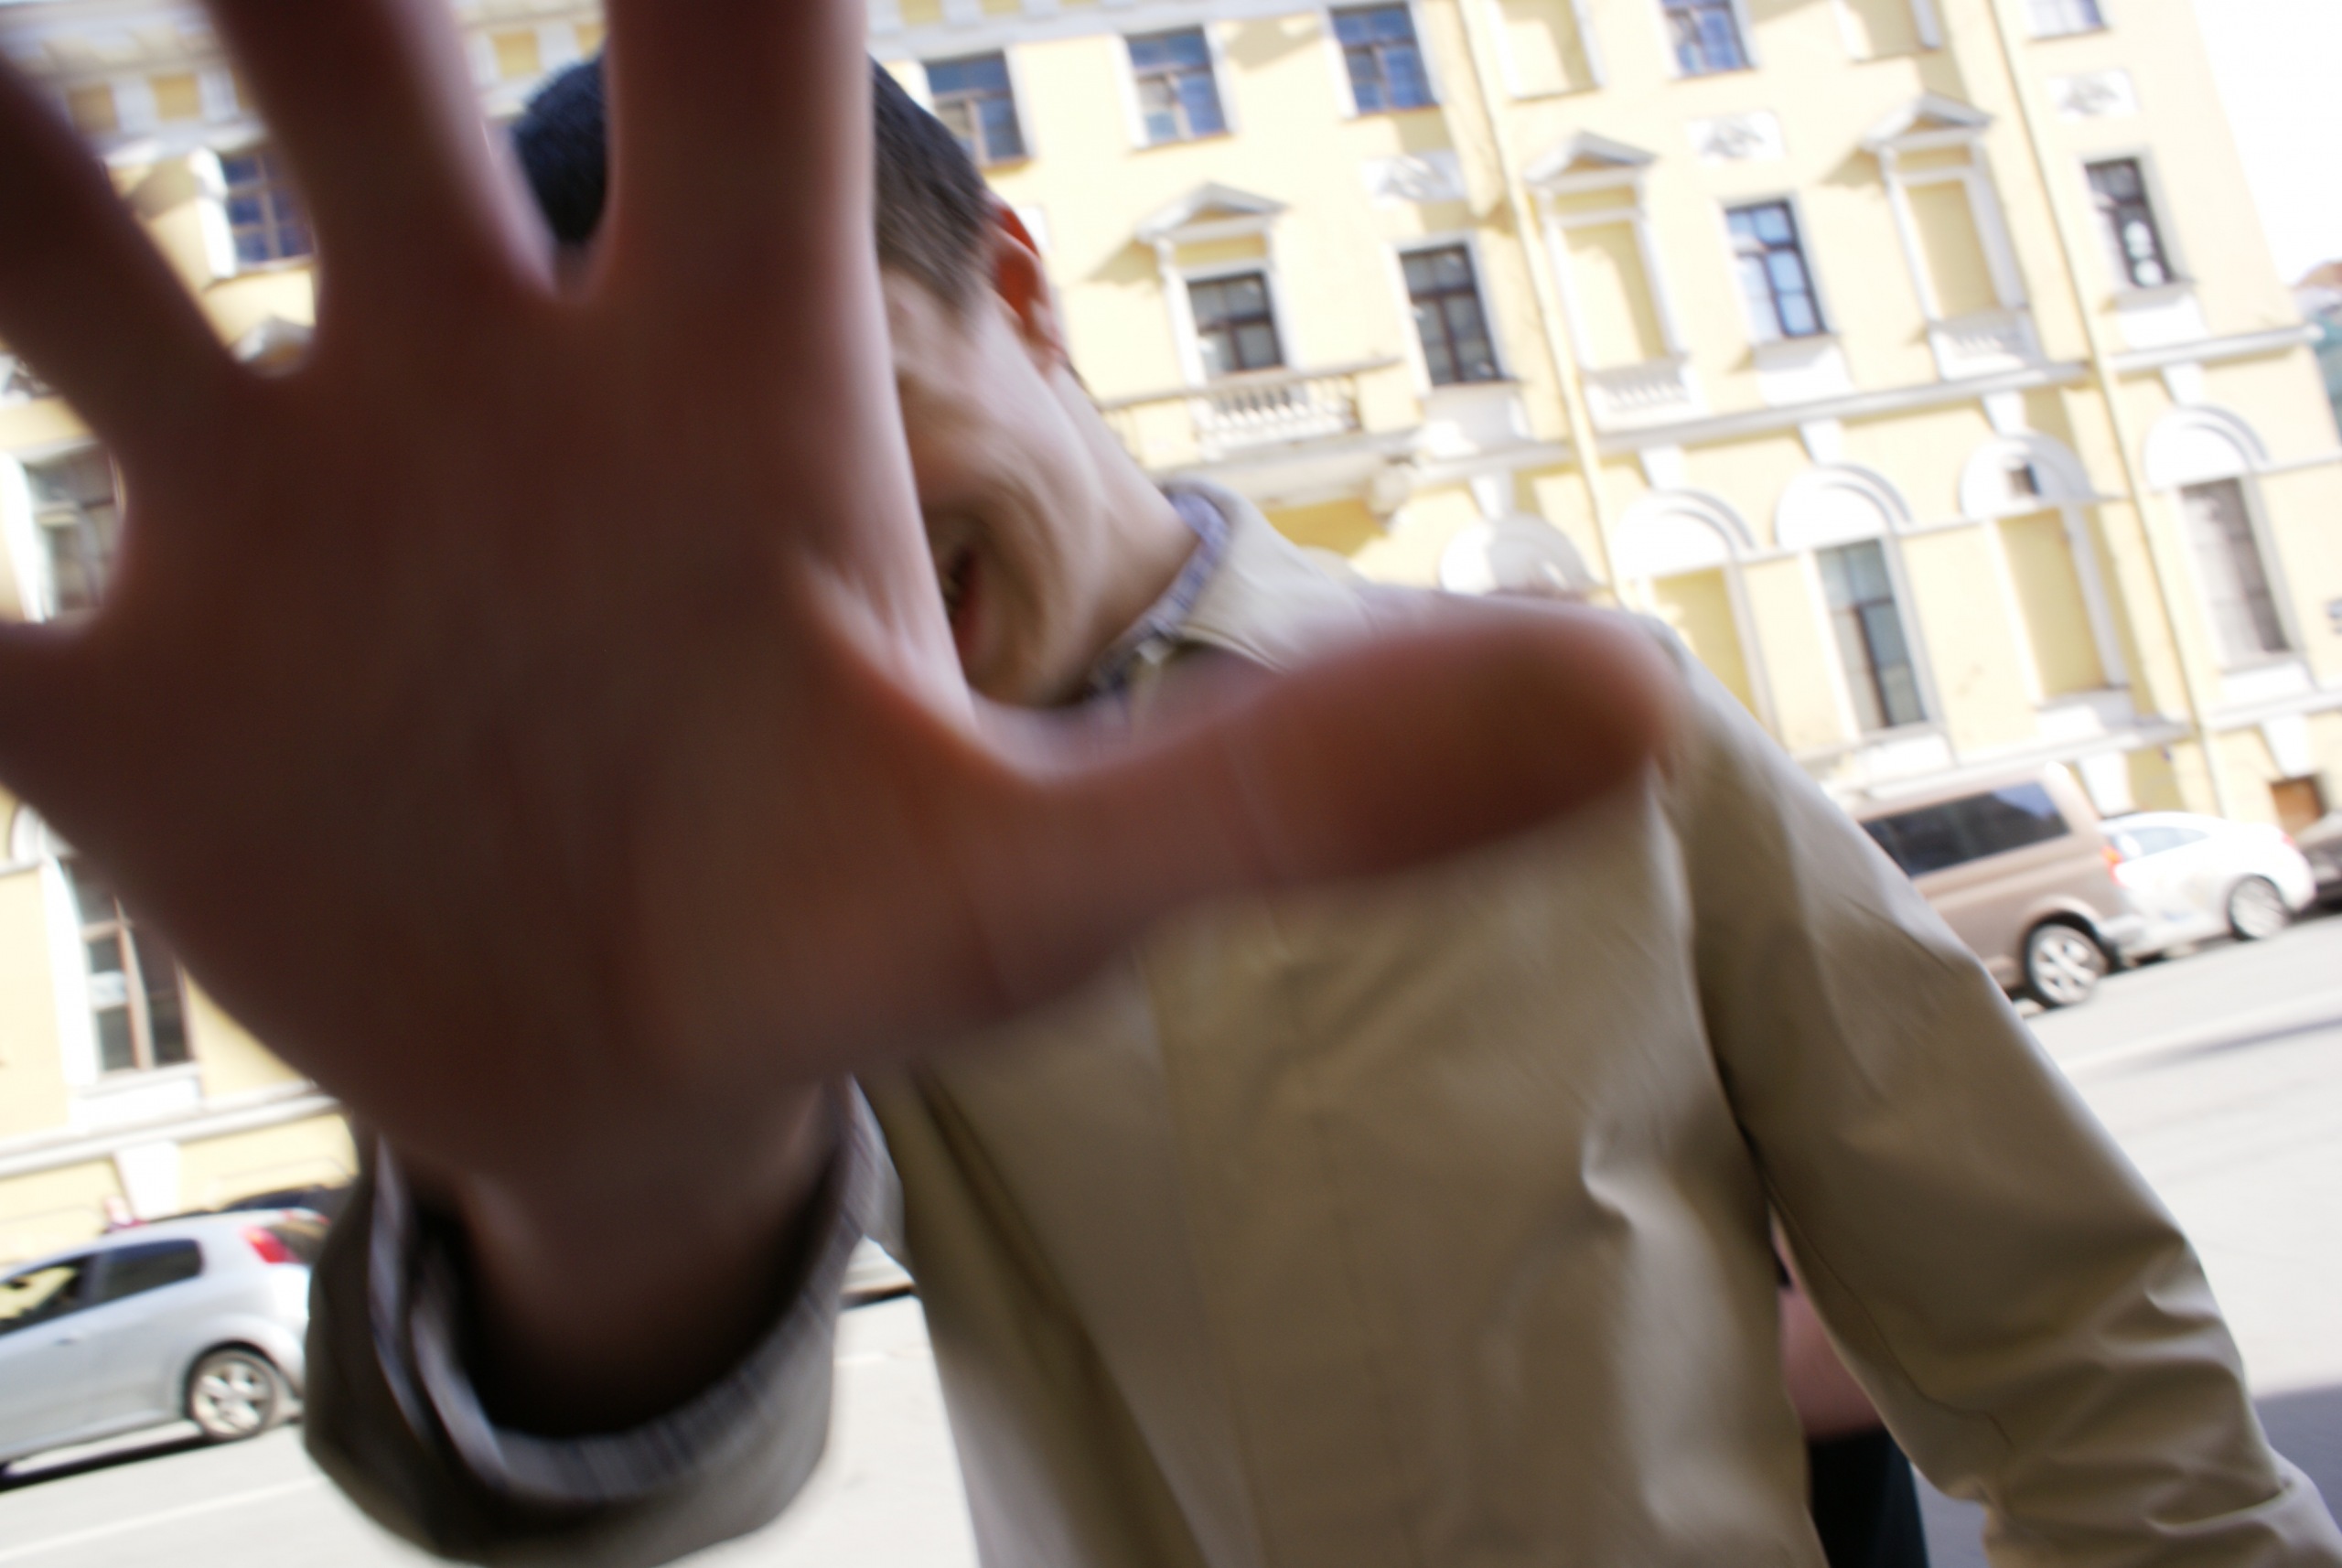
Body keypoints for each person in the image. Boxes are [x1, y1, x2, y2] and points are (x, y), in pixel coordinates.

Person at [0, 13, 2333, 1568]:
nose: (795, 573)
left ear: (1017, 284)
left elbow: (2068, 1342)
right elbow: (629, 1446)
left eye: (818, 418)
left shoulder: (1573, 723)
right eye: (661, 542)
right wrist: (611, 1171)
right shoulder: (763, 907)